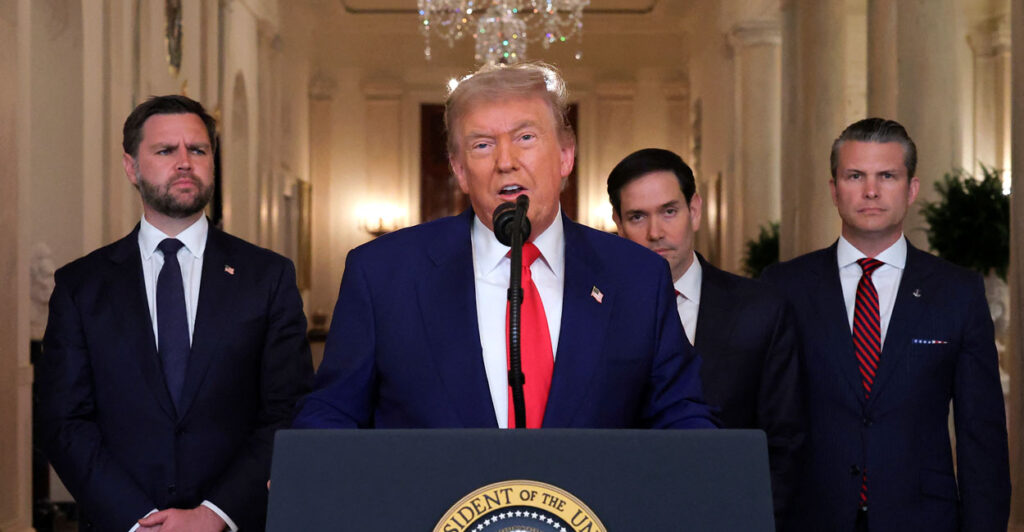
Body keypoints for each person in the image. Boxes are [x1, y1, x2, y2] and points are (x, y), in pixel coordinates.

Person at [292, 62, 715, 430]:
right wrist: (304, 473)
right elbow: (333, 411)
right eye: (482, 145)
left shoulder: (636, 276)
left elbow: (679, 414)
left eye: (526, 137)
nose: (505, 160)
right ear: (460, 170)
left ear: (566, 156)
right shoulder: (383, 273)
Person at [37, 95, 313, 531]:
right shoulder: (82, 286)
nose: (185, 162)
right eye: (166, 151)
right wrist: (137, 519)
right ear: (131, 166)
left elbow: (287, 411)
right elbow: (64, 421)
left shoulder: (267, 277)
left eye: (198, 150)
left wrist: (215, 514)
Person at [760, 118, 1010, 531]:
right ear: (834, 189)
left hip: (923, 519)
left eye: (887, 176)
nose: (871, 191)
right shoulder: (783, 287)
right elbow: (763, 421)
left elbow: (981, 436)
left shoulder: (957, 292)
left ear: (911, 189)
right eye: (855, 175)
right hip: (809, 518)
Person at [606, 148, 804, 527]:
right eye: (637, 217)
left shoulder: (760, 310)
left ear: (694, 210)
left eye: (669, 211)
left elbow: (785, 443)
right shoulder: (593, 315)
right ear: (617, 222)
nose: (655, 233)